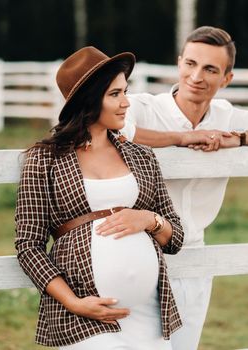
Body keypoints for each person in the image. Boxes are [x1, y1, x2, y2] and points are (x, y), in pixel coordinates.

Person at [122, 26, 248, 350]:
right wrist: (180, 138)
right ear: (179, 62)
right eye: (190, 64)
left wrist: (240, 138)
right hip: (136, 253)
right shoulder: (144, 107)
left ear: (226, 78)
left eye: (210, 69)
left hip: (194, 255)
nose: (196, 76)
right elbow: (110, 124)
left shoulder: (227, 117)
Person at [15, 46, 184, 349]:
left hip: (148, 313)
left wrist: (148, 219)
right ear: (90, 101)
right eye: (115, 94)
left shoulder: (142, 156)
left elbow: (175, 238)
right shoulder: (46, 159)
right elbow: (28, 246)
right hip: (84, 311)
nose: (126, 103)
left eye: (125, 92)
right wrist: (74, 303)